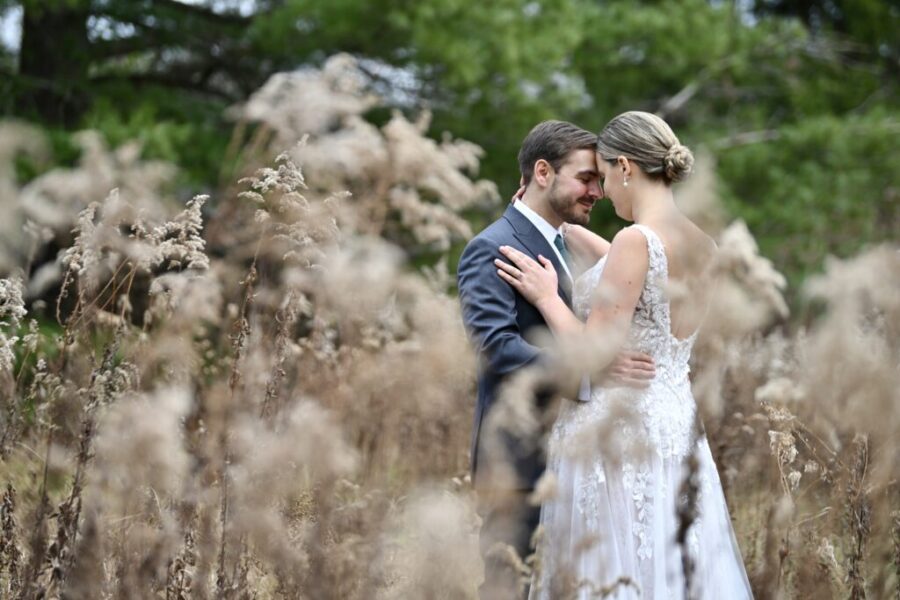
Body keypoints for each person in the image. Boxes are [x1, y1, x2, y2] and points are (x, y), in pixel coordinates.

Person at [495, 111, 753, 599]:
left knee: (613, 566)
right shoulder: (702, 242)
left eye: (606, 174)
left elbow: (592, 350)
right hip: (675, 424)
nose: (604, 190)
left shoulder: (636, 241)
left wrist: (548, 295)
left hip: (620, 428)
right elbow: (630, 275)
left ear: (627, 166)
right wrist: (566, 231)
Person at [457, 120, 656, 599]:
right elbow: (497, 345)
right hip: (521, 459)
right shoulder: (490, 247)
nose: (598, 192)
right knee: (509, 585)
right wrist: (586, 368)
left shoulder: (567, 242)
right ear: (542, 172)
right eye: (586, 178)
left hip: (578, 461)